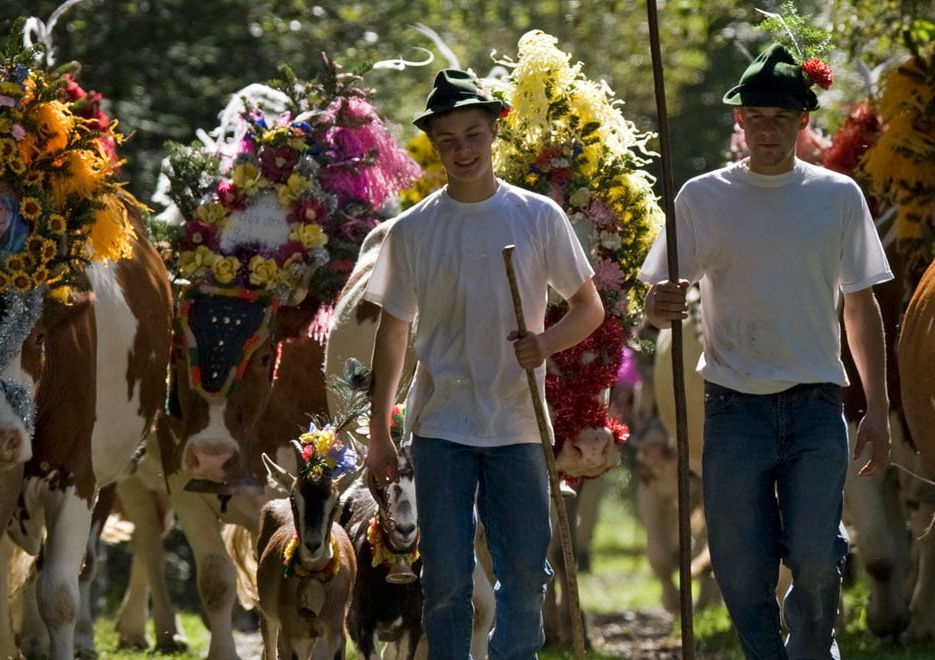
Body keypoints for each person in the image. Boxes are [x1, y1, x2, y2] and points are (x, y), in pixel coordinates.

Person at [640, 43, 894, 660]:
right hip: (732, 409)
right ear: (738, 122)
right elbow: (658, 295)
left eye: (781, 118)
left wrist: (880, 410)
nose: (767, 129)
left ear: (803, 122)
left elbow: (861, 307)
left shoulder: (837, 198)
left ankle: (811, 648)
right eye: (756, 117)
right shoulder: (702, 197)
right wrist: (658, 307)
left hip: (813, 405)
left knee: (813, 556)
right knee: (740, 570)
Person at [363, 68, 605, 660]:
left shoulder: (537, 216)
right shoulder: (412, 231)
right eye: (448, 140)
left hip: (520, 424)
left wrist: (542, 345)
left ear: (495, 130)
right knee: (444, 581)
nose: (462, 150)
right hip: (441, 425)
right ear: (435, 144)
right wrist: (378, 436)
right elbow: (393, 337)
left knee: (525, 575)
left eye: (472, 134)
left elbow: (587, 309)